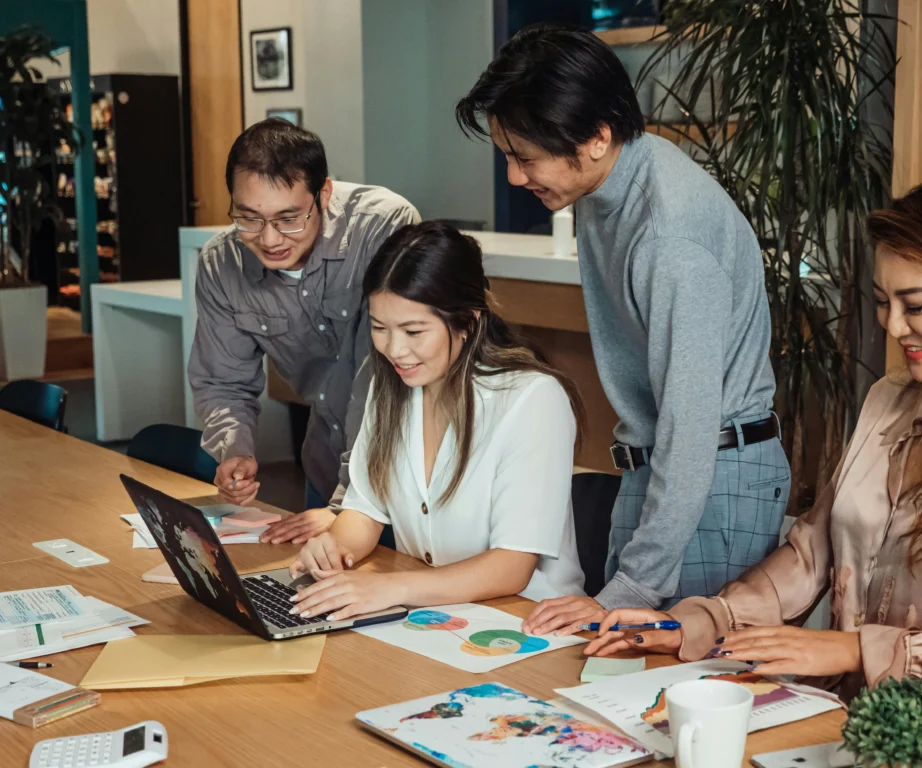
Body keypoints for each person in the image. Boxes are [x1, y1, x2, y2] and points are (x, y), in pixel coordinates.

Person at [585, 173, 922, 766]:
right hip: (841, 730)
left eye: (917, 305)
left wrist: (853, 651)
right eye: (881, 303)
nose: (894, 329)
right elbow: (813, 550)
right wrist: (708, 617)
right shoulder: (888, 400)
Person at [456, 25, 789, 635]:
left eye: (525, 157)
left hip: (713, 474)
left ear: (596, 137)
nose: (513, 177)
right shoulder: (606, 187)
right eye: (507, 155)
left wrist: (631, 587)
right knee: (621, 683)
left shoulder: (670, 236)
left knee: (685, 690)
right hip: (661, 466)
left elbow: (690, 428)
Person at [287, 221, 587, 621]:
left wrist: (389, 587)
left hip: (525, 622)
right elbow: (365, 510)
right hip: (434, 617)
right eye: (379, 328)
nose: (395, 349)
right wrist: (334, 546)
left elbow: (512, 567)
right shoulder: (392, 386)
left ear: (468, 320)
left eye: (413, 331)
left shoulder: (531, 399)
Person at [188, 119, 419, 544]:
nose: (270, 238)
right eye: (248, 218)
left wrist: (348, 503)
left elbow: (383, 378)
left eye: (289, 218)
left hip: (400, 474)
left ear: (324, 194)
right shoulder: (222, 263)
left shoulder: (381, 227)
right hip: (326, 459)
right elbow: (223, 381)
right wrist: (235, 449)